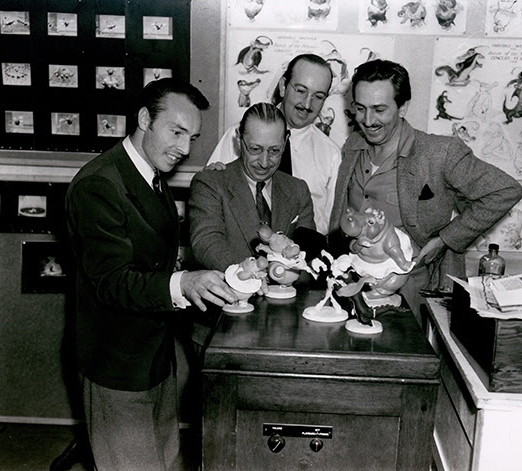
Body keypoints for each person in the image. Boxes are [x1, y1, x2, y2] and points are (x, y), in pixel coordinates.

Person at [65, 78, 237, 471]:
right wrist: (183, 283)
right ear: (144, 119)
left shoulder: (147, 173)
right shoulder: (99, 184)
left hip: (155, 358)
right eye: (176, 132)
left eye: (191, 137)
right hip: (117, 366)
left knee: (167, 462)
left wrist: (193, 274)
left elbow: (149, 260)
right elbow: (111, 281)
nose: (184, 149)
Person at [328, 59, 522, 322]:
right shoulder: (352, 146)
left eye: (380, 109)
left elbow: (505, 191)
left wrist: (445, 239)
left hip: (412, 299)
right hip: (353, 290)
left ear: (403, 107)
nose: (368, 120)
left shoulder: (440, 153)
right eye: (360, 109)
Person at [207, 53, 340, 235]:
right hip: (241, 255)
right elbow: (211, 201)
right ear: (284, 87)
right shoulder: (239, 135)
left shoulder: (331, 154)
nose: (307, 104)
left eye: (318, 96)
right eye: (301, 91)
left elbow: (329, 223)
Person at [189, 102, 316, 272]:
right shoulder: (210, 183)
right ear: (239, 140)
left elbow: (309, 257)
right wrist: (248, 274)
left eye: (274, 151)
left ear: (285, 142)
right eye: (255, 149)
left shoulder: (298, 190)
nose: (264, 163)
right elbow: (207, 243)